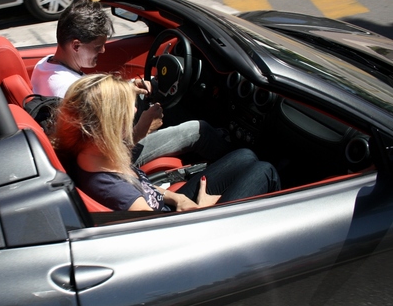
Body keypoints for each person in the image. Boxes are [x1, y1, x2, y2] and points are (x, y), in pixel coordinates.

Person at [31, 0, 230, 165]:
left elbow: (95, 102)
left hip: (106, 135)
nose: (103, 51)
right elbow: (103, 153)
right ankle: (235, 163)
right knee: (197, 130)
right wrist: (144, 129)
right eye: (97, 46)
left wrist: (128, 89)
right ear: (76, 45)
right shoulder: (69, 90)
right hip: (117, 155)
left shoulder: (45, 65)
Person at [53, 74, 281, 212]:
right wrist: (203, 209)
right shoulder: (116, 192)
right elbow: (164, 239)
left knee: (245, 156)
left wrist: (177, 197)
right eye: (126, 109)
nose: (134, 110)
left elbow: (142, 187)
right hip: (191, 228)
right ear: (108, 124)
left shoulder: (93, 153)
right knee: (265, 171)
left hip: (172, 206)